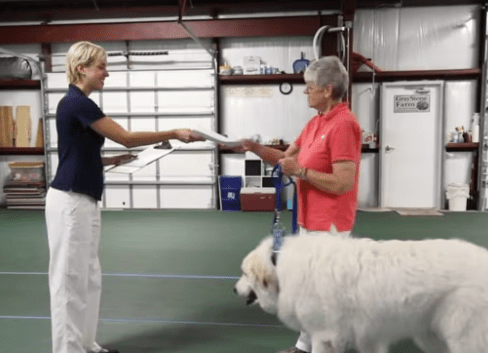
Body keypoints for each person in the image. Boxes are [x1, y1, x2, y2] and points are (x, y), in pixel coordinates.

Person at [44, 41, 203, 353]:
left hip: (84, 199)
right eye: (101, 67)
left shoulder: (79, 104)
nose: (107, 73)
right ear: (82, 69)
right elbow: (126, 137)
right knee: (68, 280)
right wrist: (172, 132)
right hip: (69, 201)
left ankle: (85, 344)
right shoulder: (77, 103)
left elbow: (77, 154)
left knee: (89, 278)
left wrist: (110, 161)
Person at [237, 55, 362, 353]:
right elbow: (285, 160)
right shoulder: (316, 123)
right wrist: (254, 148)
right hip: (308, 220)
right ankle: (305, 346)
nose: (305, 92)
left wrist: (303, 172)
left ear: (328, 90)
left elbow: (343, 182)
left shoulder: (344, 125)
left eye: (309, 87)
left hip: (328, 225)